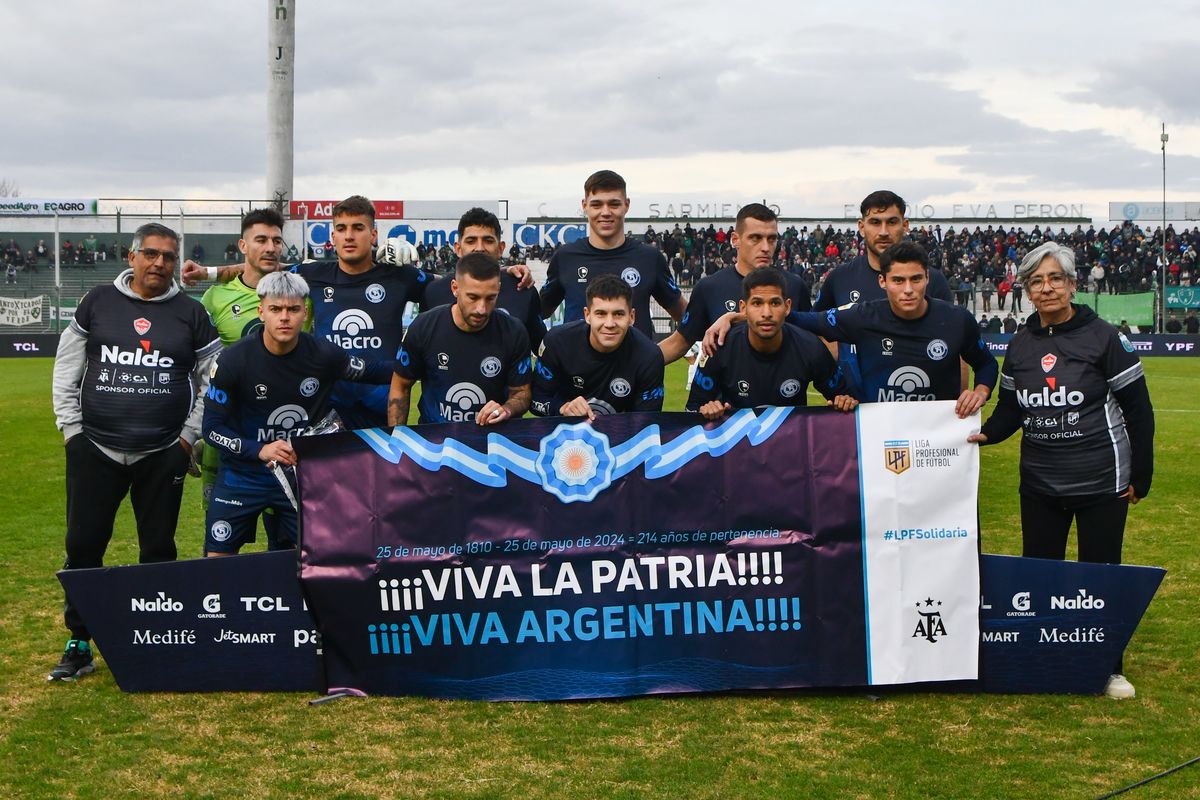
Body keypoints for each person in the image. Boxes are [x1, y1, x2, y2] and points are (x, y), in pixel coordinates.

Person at [968, 241, 1154, 700]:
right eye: (1037, 280)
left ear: (1072, 285)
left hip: (1100, 481)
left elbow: (1139, 409)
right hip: (1040, 484)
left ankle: (1108, 669)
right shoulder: (1021, 343)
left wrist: (1141, 474)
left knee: (1099, 576)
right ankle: (1044, 660)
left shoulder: (1105, 337)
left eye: (1055, 278)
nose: (1047, 287)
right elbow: (1012, 409)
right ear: (1026, 291)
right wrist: (985, 435)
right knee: (1041, 578)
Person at [49, 223, 221, 681]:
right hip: (95, 448)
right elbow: (67, 367)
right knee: (83, 546)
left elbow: (213, 381)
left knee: (158, 549)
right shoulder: (97, 302)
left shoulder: (190, 313)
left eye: (168, 256)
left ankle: (156, 639)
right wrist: (71, 432)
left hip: (162, 452)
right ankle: (79, 642)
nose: (159, 263)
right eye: (150, 253)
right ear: (131, 256)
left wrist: (188, 437)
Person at [201, 272, 392, 555]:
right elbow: (212, 429)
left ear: (305, 313)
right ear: (261, 311)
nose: (284, 317)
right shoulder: (233, 361)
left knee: (312, 562)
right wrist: (259, 449)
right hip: (244, 475)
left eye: (293, 309)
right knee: (216, 561)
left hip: (300, 474)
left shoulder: (324, 355)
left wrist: (419, 357)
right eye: (276, 309)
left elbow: (375, 372)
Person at [786, 242, 997, 416]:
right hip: (879, 433)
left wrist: (980, 391)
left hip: (935, 438)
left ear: (927, 278)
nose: (908, 290)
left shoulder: (956, 320)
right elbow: (807, 321)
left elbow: (986, 363)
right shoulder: (863, 316)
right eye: (898, 280)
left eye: (915, 279)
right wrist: (771, 311)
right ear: (882, 281)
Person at [811, 191, 955, 396]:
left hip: (920, 407)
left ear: (905, 226)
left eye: (892, 222)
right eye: (875, 222)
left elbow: (956, 343)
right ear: (862, 227)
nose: (884, 231)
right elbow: (817, 330)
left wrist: (955, 408)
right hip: (857, 412)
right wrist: (836, 357)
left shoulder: (932, 279)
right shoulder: (840, 278)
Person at [687, 268, 855, 419]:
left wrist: (843, 401)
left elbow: (842, 397)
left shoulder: (811, 347)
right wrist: (707, 409)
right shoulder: (720, 347)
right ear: (743, 308)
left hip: (789, 446)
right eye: (757, 303)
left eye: (775, 303)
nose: (766, 313)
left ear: (787, 307)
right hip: (737, 449)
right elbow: (693, 409)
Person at [540, 170, 687, 340]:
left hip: (635, 366)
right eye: (597, 205)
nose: (606, 212)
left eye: (614, 204)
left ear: (626, 205)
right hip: (576, 366)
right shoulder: (565, 257)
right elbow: (536, 313)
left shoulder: (649, 258)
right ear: (584, 206)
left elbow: (687, 317)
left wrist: (658, 356)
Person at [389, 252, 532, 426]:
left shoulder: (514, 332)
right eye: (473, 297)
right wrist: (398, 440)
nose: (482, 309)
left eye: (490, 298)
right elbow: (401, 385)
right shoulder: (424, 327)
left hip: (491, 442)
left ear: (498, 289)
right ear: (455, 288)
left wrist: (507, 408)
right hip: (435, 443)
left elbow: (522, 394)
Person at [658, 203, 809, 365]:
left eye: (771, 239)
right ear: (735, 240)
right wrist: (635, 365)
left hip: (783, 387)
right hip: (725, 389)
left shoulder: (794, 285)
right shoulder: (709, 288)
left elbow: (820, 340)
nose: (765, 247)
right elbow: (678, 343)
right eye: (755, 238)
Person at [532, 274, 664, 419]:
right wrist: (562, 408)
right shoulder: (557, 342)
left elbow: (646, 422)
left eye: (618, 314)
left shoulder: (649, 357)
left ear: (631, 317)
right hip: (564, 437)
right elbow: (535, 400)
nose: (609, 324)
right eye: (600, 314)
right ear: (587, 315)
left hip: (622, 438)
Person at [423, 208, 545, 353]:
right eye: (471, 241)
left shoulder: (522, 289)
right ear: (458, 248)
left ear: (500, 248)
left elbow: (542, 349)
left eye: (488, 240)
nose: (479, 248)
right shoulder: (434, 291)